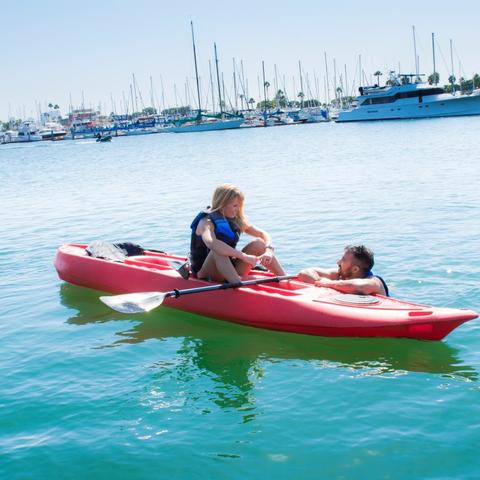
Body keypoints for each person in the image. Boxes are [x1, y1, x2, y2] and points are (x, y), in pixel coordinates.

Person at [190, 184, 285, 283]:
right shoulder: (206, 222)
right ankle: (238, 286)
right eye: (235, 205)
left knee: (259, 244)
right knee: (218, 250)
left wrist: (269, 250)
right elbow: (212, 243)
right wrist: (244, 256)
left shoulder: (236, 220)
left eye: (240, 205)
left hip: (228, 268)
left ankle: (284, 278)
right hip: (207, 273)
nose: (238, 209)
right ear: (222, 203)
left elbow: (262, 234)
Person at [298, 244, 389, 296]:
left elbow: (359, 287)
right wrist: (320, 284)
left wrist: (329, 284)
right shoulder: (340, 275)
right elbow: (305, 272)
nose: (338, 262)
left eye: (343, 260)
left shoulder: (374, 282)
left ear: (355, 269)